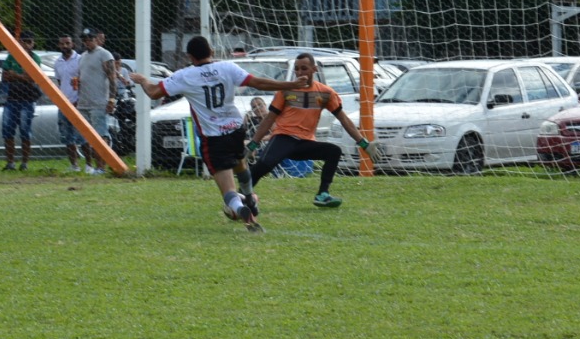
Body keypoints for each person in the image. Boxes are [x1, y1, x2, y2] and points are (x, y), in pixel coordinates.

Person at [128, 35, 308, 232]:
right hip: (236, 130)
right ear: (211, 51)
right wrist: (290, 85)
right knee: (240, 163)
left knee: (228, 190)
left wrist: (143, 80)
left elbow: (153, 92)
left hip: (213, 138)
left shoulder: (185, 75)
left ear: (190, 57)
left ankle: (241, 209)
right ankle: (249, 197)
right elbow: (258, 82)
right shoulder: (227, 67)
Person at [246, 52, 381, 208]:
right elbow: (269, 119)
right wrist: (253, 144)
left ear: (314, 69)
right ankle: (241, 196)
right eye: (297, 69)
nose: (300, 72)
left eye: (304, 68)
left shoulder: (326, 93)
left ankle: (322, 194)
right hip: (283, 138)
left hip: (304, 143)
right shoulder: (285, 91)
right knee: (263, 167)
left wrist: (364, 144)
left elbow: (344, 119)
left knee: (333, 151)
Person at [75, 28, 116, 175]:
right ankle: (92, 165)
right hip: (83, 102)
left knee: (101, 135)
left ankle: (102, 167)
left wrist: (111, 99)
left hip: (99, 102)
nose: (87, 42)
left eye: (90, 39)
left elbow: (112, 78)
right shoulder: (82, 56)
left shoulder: (104, 54)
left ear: (96, 39)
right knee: (87, 137)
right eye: (84, 40)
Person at [0, 30, 42, 171]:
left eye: (29, 42)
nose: (26, 45)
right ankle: (10, 163)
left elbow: (33, 78)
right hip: (11, 99)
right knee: (8, 131)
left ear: (33, 44)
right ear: (20, 42)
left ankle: (24, 163)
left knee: (25, 132)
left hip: (27, 100)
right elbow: (4, 76)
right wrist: (22, 76)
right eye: (24, 41)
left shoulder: (35, 58)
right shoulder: (12, 56)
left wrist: (15, 75)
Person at [52, 33, 83, 171]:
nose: (65, 46)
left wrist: (79, 99)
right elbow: (60, 82)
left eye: (67, 43)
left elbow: (84, 81)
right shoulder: (57, 62)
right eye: (62, 43)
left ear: (73, 44)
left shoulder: (80, 60)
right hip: (64, 104)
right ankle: (74, 165)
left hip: (79, 102)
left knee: (83, 135)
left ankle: (89, 165)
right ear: (58, 45)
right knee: (67, 136)